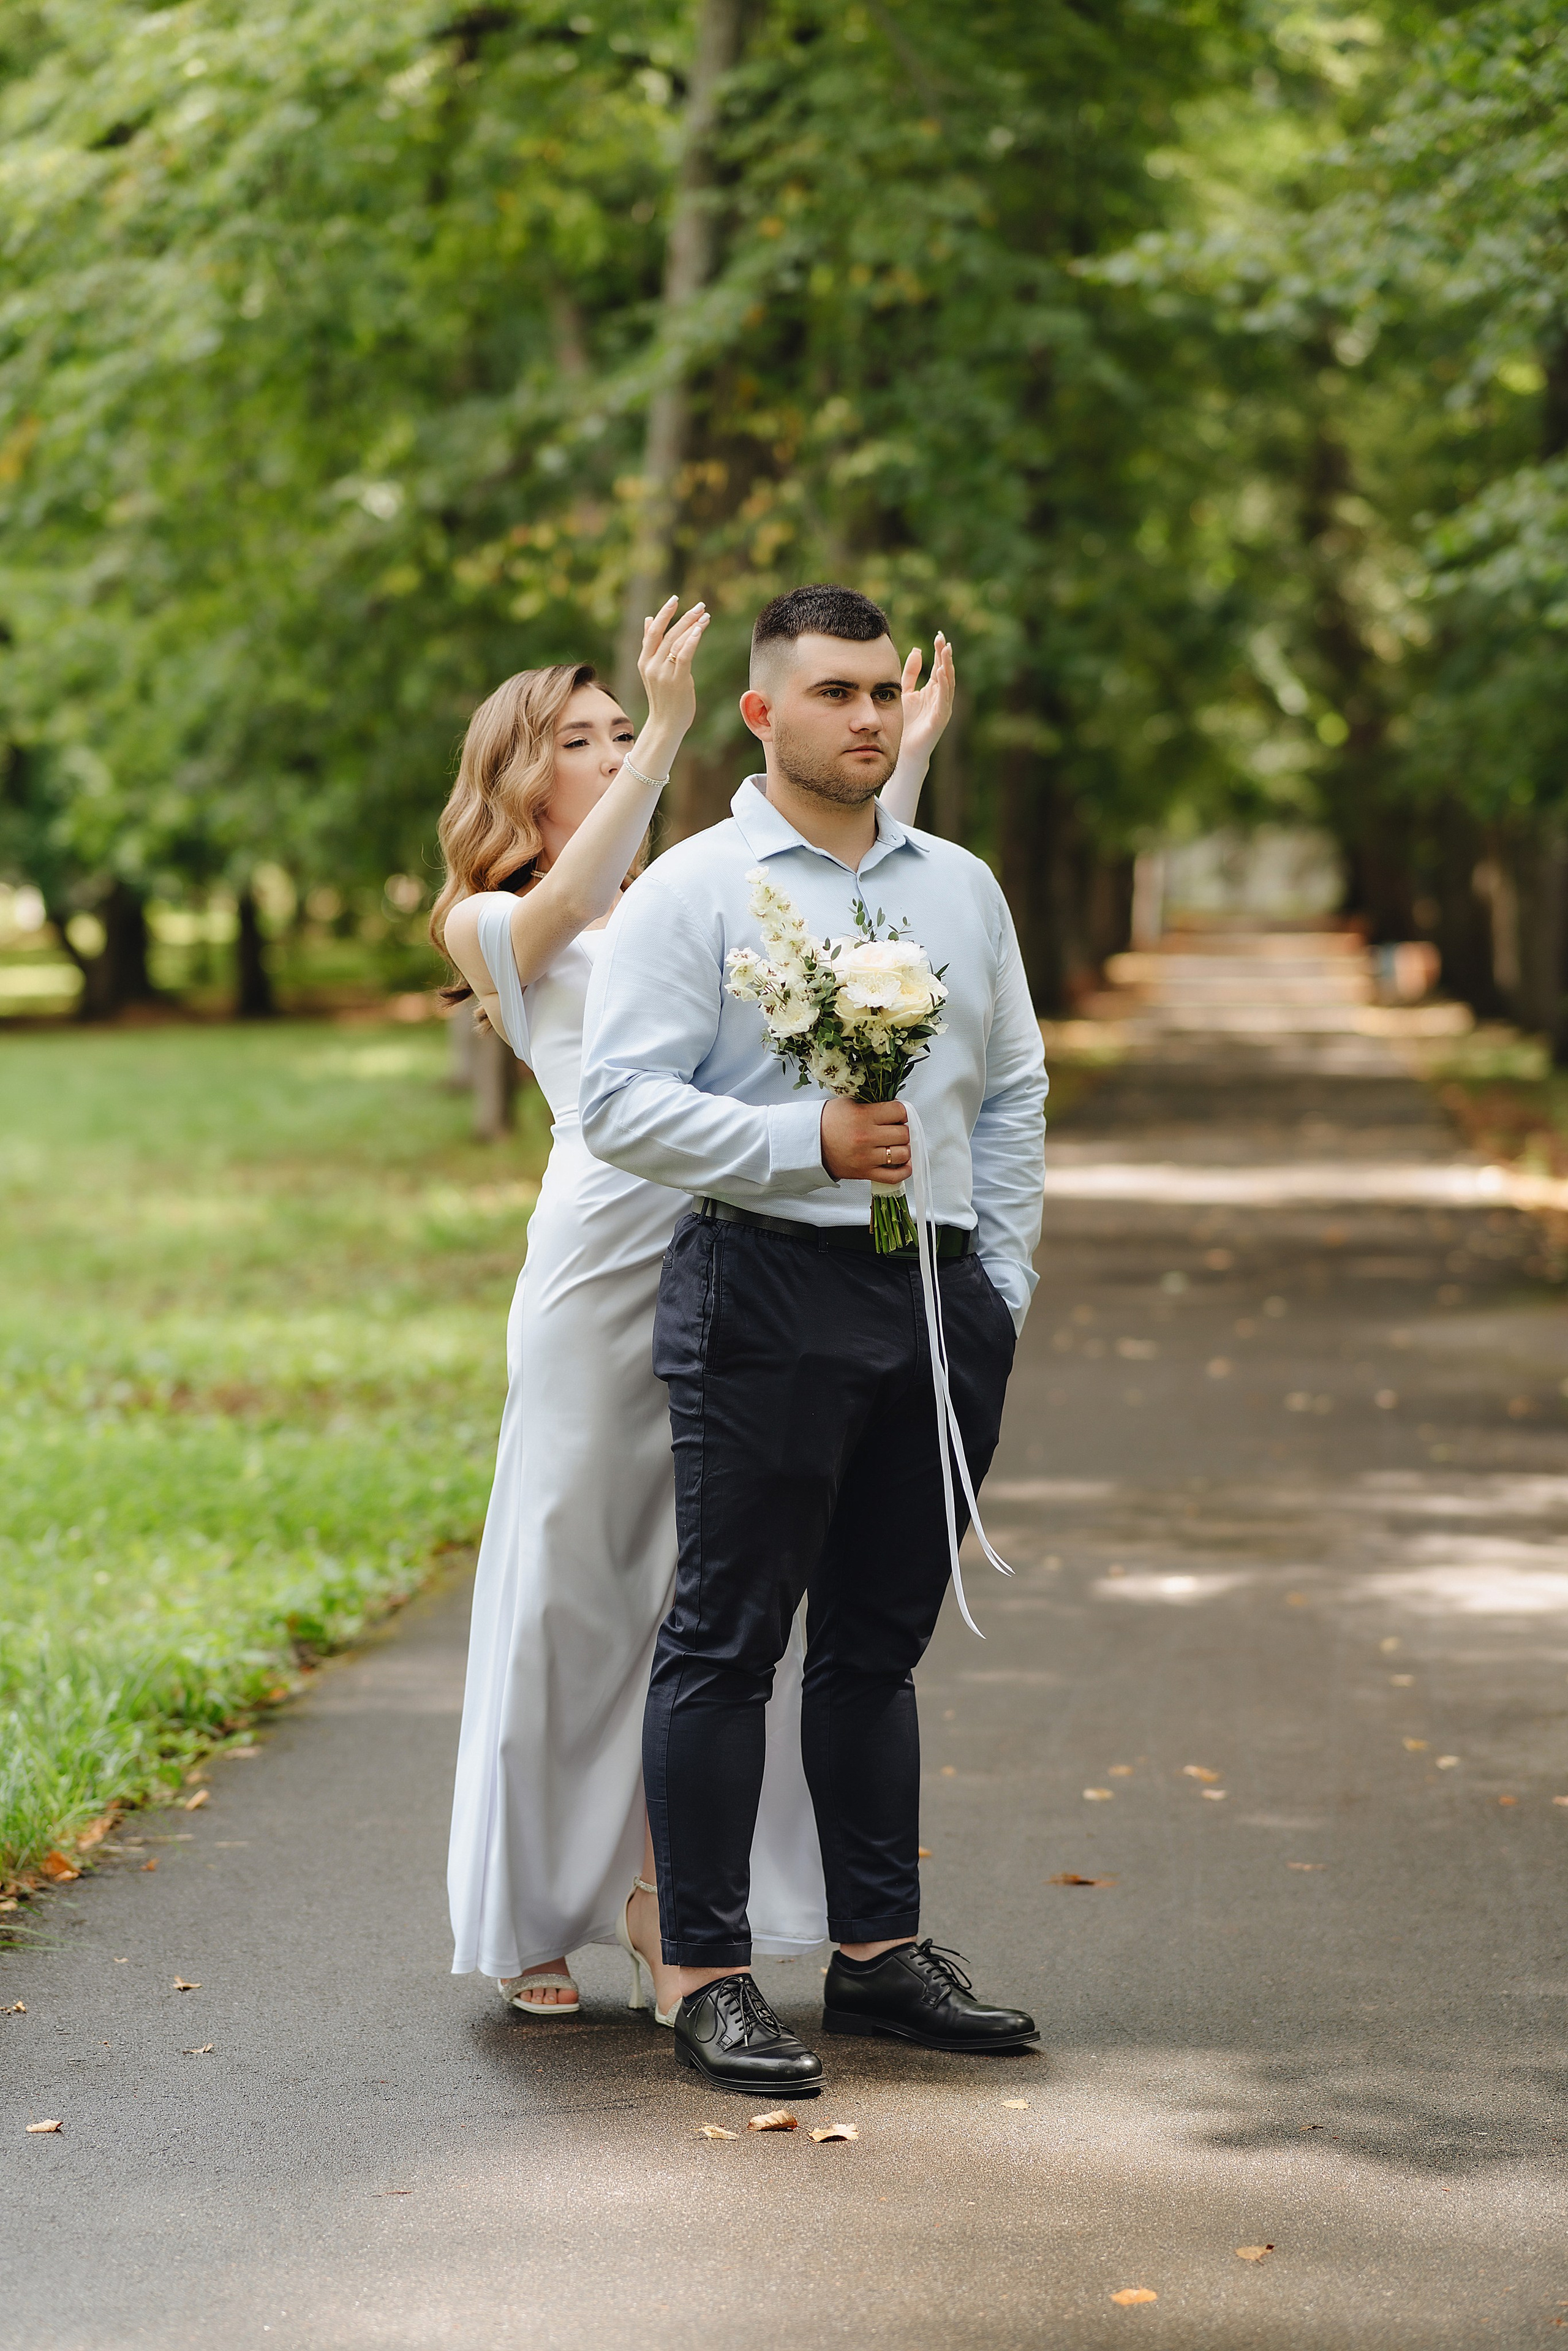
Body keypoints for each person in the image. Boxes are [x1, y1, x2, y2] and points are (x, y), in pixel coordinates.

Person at [438, 594, 957, 2023]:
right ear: (518, 777)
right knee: (569, 1587)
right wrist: (672, 727)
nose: (612, 751)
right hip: (598, 1267)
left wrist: (895, 759)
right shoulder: (491, 917)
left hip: (736, 1248)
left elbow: (837, 899)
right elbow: (553, 923)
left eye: (625, 728)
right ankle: (530, 1906)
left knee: (700, 1596)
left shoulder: (689, 892)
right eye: (583, 738)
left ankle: (671, 1907)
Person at [579, 582, 1047, 2094]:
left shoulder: (961, 888)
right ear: (761, 711)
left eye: (881, 693)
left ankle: (877, 1959)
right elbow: (614, 1104)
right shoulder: (693, 891)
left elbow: (1017, 1087)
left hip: (936, 1295)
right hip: (762, 1288)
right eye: (834, 692)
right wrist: (806, 1145)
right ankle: (708, 1972)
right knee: (725, 1635)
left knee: (875, 1641)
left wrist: (1000, 1281)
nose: (867, 716)